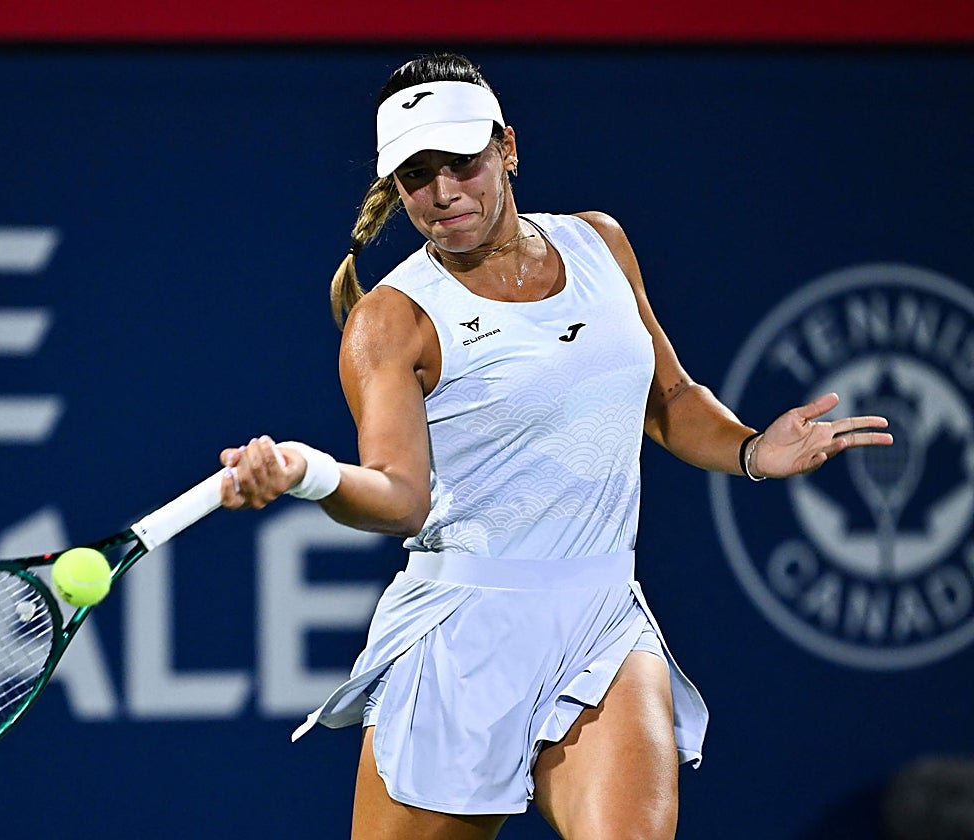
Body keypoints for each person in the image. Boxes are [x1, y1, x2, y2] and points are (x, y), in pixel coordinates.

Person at [217, 53, 894, 840]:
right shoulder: (391, 320)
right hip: (463, 636)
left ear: (507, 147)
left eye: (462, 162)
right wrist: (307, 473)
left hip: (602, 620)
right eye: (417, 176)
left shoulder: (600, 243)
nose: (444, 193)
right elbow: (400, 497)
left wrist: (751, 450)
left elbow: (669, 398)